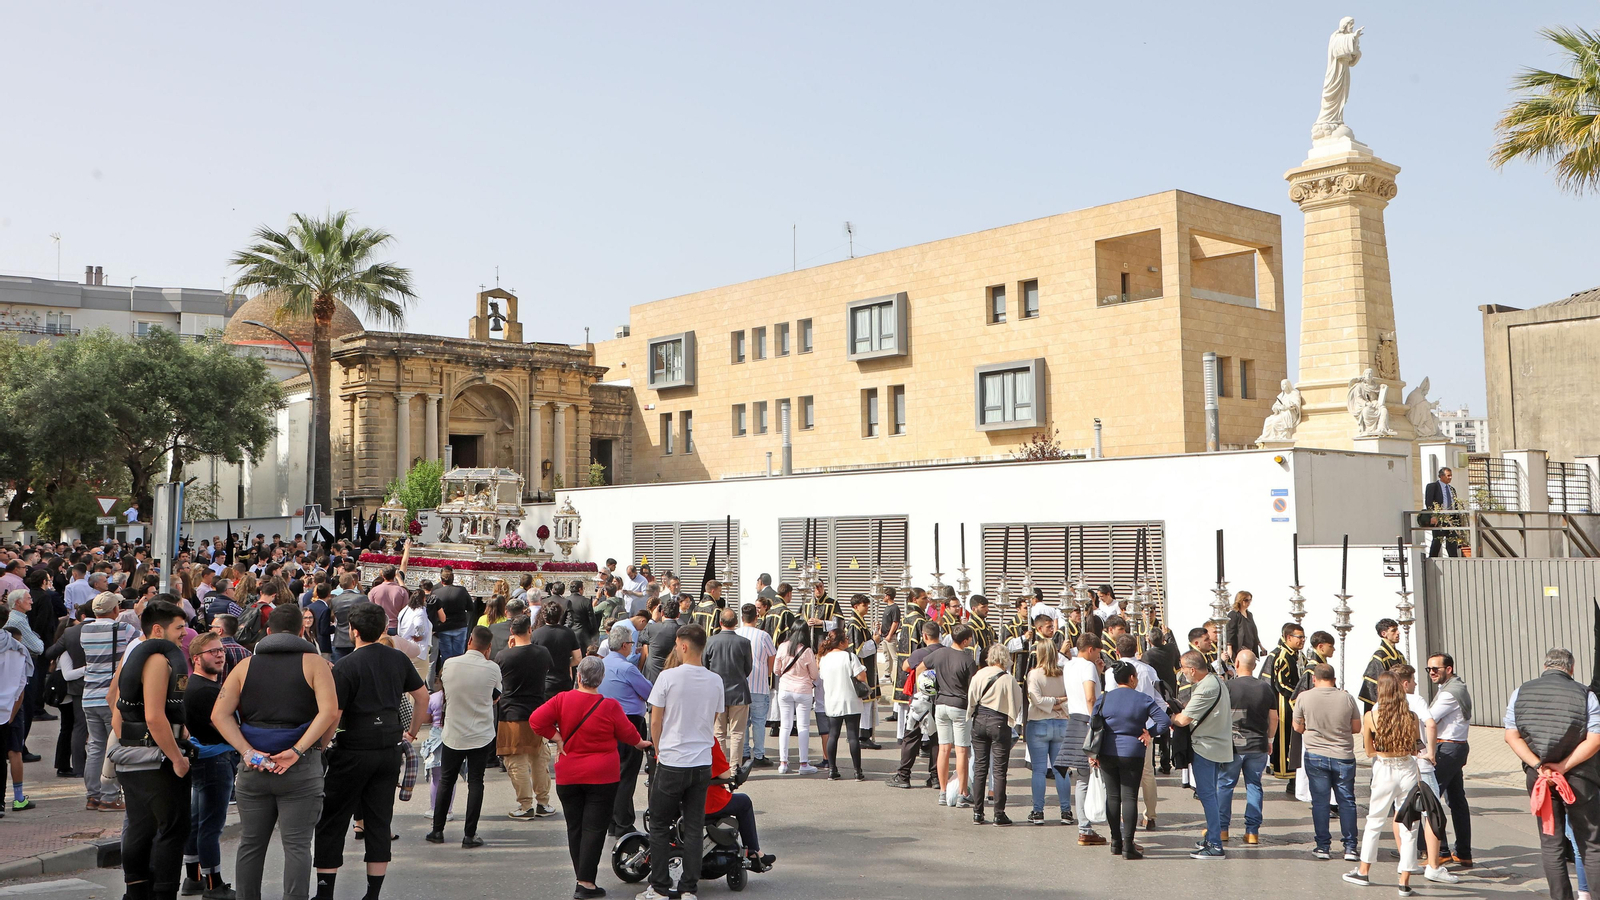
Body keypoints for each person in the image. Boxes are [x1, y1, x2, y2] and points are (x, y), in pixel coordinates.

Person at [211, 604, 340, 900]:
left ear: (267, 632)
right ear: (302, 630)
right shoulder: (315, 663)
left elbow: (219, 714)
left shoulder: (245, 666)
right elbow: (330, 712)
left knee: (251, 844)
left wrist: (247, 751)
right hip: (300, 766)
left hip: (254, 766)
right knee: (297, 845)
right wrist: (300, 750)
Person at [311, 603, 426, 900]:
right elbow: (422, 697)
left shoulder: (346, 665)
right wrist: (411, 732)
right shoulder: (398, 659)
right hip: (388, 748)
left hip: (353, 748)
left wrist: (321, 747)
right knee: (379, 821)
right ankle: (372, 894)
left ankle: (325, 892)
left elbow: (334, 714)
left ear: (354, 631)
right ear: (383, 629)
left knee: (333, 820)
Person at [531, 656, 652, 900]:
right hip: (602, 776)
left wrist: (557, 737)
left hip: (569, 774)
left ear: (578, 676)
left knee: (575, 828)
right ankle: (585, 882)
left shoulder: (561, 699)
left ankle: (582, 878)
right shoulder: (609, 706)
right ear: (601, 679)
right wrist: (643, 743)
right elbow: (629, 734)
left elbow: (536, 720)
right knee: (594, 829)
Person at [111, 600, 193, 900]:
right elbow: (155, 716)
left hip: (131, 758)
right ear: (158, 629)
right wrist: (177, 758)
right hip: (158, 760)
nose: (184, 634)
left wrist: (131, 741)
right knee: (172, 830)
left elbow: (114, 704)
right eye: (179, 628)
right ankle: (163, 893)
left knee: (140, 828)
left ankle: (136, 892)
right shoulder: (158, 660)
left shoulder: (133, 654)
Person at [1505, 648, 1600, 900]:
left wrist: (1538, 765)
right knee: (1591, 843)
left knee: (1551, 843)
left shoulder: (1520, 692)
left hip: (1540, 779)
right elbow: (1595, 740)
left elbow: (1511, 736)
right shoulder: (1585, 694)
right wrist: (1564, 766)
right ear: (1571, 668)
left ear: (1545, 667)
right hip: (1580, 778)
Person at [641, 623, 724, 900]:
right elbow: (713, 718)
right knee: (694, 827)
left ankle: (660, 886)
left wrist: (659, 749)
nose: (676, 649)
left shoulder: (667, 677)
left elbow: (655, 720)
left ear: (684, 646)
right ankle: (689, 888)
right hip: (701, 762)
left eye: (677, 645)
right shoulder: (715, 680)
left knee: (659, 824)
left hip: (672, 760)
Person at [1342, 672, 1422, 891]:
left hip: (1385, 768)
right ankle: (1404, 881)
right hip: (1407, 768)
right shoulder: (1411, 717)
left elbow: (1369, 751)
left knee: (1375, 821)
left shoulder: (1371, 717)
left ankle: (1363, 871)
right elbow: (1416, 748)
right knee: (1409, 825)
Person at [428, 627, 502, 848]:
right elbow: (495, 697)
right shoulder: (492, 668)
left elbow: (444, 689)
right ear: (488, 648)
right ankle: (470, 835)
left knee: (446, 781)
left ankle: (437, 830)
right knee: (476, 782)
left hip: (453, 733)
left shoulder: (450, 664)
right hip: (481, 734)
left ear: (469, 640)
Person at [181, 633, 240, 900]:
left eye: (221, 651)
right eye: (212, 652)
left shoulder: (194, 684)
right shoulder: (206, 690)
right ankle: (214, 885)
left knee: (197, 822)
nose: (219, 655)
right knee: (210, 826)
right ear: (196, 658)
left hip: (201, 758)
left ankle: (193, 879)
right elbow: (224, 726)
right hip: (214, 760)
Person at [1092, 660, 1171, 859]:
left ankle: (1115, 842)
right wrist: (1149, 733)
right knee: (1129, 797)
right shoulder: (1143, 699)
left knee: (1112, 796)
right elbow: (1164, 721)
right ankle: (1128, 845)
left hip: (1108, 750)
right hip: (1133, 751)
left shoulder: (1104, 698)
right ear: (1132, 678)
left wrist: (1093, 754)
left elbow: (1094, 724)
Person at [1293, 662, 1361, 861]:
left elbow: (1297, 727)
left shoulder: (1304, 697)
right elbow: (1356, 728)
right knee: (1347, 801)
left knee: (1320, 802)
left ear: (1314, 679)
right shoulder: (1347, 697)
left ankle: (1323, 846)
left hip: (1316, 753)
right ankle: (1350, 847)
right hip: (1343, 754)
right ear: (1334, 679)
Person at [81, 591, 138, 812]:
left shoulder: (85, 630)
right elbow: (143, 641)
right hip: (111, 696)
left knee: (95, 746)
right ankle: (109, 796)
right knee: (112, 746)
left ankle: (92, 795)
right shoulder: (123, 628)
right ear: (115, 609)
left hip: (89, 695)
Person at [1174, 649, 1233, 859]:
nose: (1182, 673)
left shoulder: (1206, 687)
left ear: (1192, 669)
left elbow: (1183, 720)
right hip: (1215, 745)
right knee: (1211, 795)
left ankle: (1215, 844)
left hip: (1206, 747)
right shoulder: (1215, 681)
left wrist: (1171, 716)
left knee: (1207, 796)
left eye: (1183, 668)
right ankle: (1212, 836)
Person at [497, 614, 555, 820]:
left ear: (512, 632)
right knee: (539, 758)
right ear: (530, 630)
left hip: (511, 713)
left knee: (516, 760)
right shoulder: (543, 653)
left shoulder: (503, 656)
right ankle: (543, 802)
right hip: (538, 713)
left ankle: (525, 804)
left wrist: (510, 648)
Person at [598, 623, 654, 836]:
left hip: (605, 721)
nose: (632, 646)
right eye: (631, 643)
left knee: (612, 773)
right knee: (626, 774)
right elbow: (649, 692)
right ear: (624, 645)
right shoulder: (627, 668)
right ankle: (623, 823)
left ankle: (613, 822)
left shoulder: (602, 665)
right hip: (628, 721)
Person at [1218, 649, 1275, 845]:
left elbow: (1219, 715)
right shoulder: (1265, 688)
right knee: (1254, 785)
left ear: (1236, 663)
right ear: (1255, 665)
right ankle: (1252, 831)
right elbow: (1274, 718)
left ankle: (1222, 829)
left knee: (1225, 785)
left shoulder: (1228, 687)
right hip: (1258, 743)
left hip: (1233, 744)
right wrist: (1270, 739)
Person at [922, 624, 979, 808]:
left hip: (940, 704)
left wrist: (926, 688)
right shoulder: (968, 660)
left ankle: (943, 791)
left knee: (943, 749)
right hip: (960, 706)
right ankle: (962, 793)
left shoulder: (939, 653)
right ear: (966, 641)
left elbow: (921, 667)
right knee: (961, 751)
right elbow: (973, 688)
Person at [1427, 652, 1474, 868]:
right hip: (1455, 747)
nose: (1431, 673)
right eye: (1429, 669)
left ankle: (1441, 851)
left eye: (1435, 669)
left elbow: (1429, 718)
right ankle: (1463, 852)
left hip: (1448, 748)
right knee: (1457, 800)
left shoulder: (1449, 693)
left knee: (1431, 798)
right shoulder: (1454, 687)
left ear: (1449, 669)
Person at [968, 643, 1023, 825]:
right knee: (999, 770)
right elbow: (1016, 703)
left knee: (980, 767)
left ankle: (977, 812)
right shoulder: (1008, 679)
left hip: (979, 719)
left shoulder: (979, 674)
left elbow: (971, 698)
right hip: (999, 721)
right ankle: (999, 814)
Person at [705, 739, 775, 874]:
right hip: (707, 802)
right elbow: (724, 774)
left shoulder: (669, 739)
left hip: (679, 801)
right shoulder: (706, 740)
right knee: (744, 802)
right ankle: (754, 852)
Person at [887, 621, 942, 790]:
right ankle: (935, 777)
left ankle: (904, 776)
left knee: (911, 737)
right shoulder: (946, 652)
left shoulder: (920, 653)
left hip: (921, 701)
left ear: (924, 636)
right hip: (940, 700)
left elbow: (905, 666)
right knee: (937, 740)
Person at [1062, 634, 1105, 844]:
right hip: (1088, 720)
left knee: (1081, 778)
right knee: (1094, 774)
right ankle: (1091, 825)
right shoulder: (1088, 666)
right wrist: (1096, 721)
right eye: (1097, 652)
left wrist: (1098, 672)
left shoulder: (1069, 665)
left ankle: (1084, 827)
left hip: (1074, 719)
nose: (1098, 656)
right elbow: (1090, 696)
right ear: (1090, 649)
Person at [1024, 638, 1072, 823]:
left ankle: (1038, 811)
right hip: (1061, 722)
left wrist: (1050, 703)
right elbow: (1069, 697)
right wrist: (1059, 702)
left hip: (1039, 722)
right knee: (1061, 770)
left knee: (1038, 770)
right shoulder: (1063, 674)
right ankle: (1066, 812)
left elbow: (1036, 700)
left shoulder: (1034, 674)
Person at [704, 609, 754, 766]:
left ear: (720, 623)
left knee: (718, 733)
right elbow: (748, 668)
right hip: (739, 692)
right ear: (736, 623)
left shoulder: (710, 642)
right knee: (737, 733)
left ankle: (720, 767)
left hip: (716, 692)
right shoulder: (744, 643)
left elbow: (705, 667)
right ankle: (734, 768)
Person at [817, 629, 868, 782]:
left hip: (832, 701)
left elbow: (822, 677)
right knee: (853, 736)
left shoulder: (824, 659)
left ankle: (832, 769)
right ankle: (857, 771)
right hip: (851, 700)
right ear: (841, 642)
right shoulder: (850, 656)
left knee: (833, 735)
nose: (848, 640)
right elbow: (861, 676)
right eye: (846, 638)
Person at [773, 623, 820, 774]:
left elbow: (776, 670)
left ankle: (783, 763)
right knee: (803, 727)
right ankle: (803, 764)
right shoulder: (807, 651)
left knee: (785, 726)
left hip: (785, 689)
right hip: (803, 690)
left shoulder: (782, 647)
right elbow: (814, 675)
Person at [735, 604, 775, 766]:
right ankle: (759, 755)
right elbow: (772, 656)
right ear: (756, 618)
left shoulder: (736, 634)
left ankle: (744, 753)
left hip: (740, 686)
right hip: (759, 685)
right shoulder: (764, 636)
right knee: (759, 722)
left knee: (743, 722)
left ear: (742, 618)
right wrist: (768, 673)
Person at [1267, 623, 1305, 789]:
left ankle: (1295, 775)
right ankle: (1288, 774)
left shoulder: (1298, 655)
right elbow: (1281, 684)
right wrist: (1299, 696)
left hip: (1295, 702)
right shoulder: (1283, 656)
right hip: (1286, 704)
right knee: (1287, 739)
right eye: (1299, 637)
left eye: (1303, 637)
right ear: (1289, 637)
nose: (1302, 640)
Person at [845, 593, 882, 749]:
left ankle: (863, 734)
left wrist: (874, 635)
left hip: (867, 667)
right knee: (864, 703)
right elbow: (858, 650)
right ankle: (862, 736)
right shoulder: (854, 625)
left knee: (867, 703)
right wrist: (874, 641)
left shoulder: (860, 622)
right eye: (864, 605)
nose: (867, 608)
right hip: (861, 668)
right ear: (856, 606)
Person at [427, 568, 474, 682]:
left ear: (441, 580)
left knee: (446, 656)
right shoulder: (461, 591)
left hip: (444, 627)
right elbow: (470, 607)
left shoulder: (437, 593)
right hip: (460, 626)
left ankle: (446, 678)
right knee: (459, 654)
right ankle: (458, 678)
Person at [533, 601, 584, 698]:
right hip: (564, 681)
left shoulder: (536, 634)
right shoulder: (569, 633)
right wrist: (565, 663)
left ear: (544, 616)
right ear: (560, 615)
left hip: (544, 682)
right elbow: (578, 658)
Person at [1358, 618, 1405, 712]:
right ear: (1384, 634)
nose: (1398, 633)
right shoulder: (1379, 657)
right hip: (1387, 705)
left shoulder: (1399, 655)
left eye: (1397, 629)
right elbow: (1374, 686)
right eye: (1393, 630)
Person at [1423, 467, 1462, 557]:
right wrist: (1433, 515)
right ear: (1441, 476)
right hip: (1439, 518)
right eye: (1448, 475)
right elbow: (1429, 502)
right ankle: (1432, 560)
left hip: (1451, 519)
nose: (1450, 477)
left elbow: (1455, 504)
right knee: (1437, 541)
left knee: (1452, 542)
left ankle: (1454, 561)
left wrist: (1457, 520)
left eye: (1451, 475)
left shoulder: (1452, 489)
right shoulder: (1433, 486)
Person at [640, 598, 680, 682]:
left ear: (662, 613)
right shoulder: (682, 631)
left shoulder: (653, 628)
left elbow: (642, 637)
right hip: (673, 677)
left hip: (652, 676)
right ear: (678, 615)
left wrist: (652, 620)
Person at [367, 566, 409, 636]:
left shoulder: (374, 591)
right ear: (395, 575)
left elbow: (370, 609)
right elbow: (405, 610)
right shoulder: (402, 591)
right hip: (395, 626)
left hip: (379, 626)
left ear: (383, 576)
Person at [1223, 591, 1261, 664]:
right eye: (1246, 600)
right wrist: (1229, 648)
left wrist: (1260, 645)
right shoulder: (1234, 614)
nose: (1248, 602)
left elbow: (1254, 631)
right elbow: (1230, 631)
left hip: (1250, 646)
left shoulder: (1249, 614)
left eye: (1250, 600)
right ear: (1240, 600)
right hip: (1239, 647)